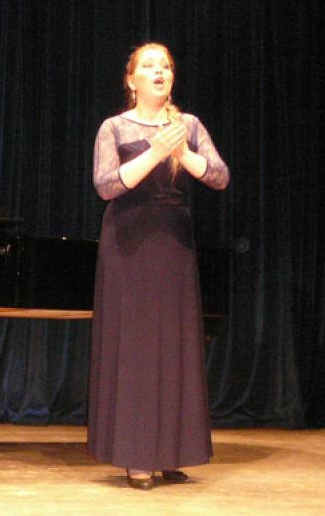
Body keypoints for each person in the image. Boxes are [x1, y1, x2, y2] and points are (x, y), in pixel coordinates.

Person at [87, 43, 230, 490]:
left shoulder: (189, 125)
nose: (159, 71)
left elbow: (220, 176)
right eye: (148, 66)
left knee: (175, 346)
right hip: (128, 244)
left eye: (165, 66)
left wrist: (181, 151)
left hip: (173, 244)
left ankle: (173, 452)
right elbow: (106, 186)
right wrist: (154, 152)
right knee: (136, 350)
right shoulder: (113, 127)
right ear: (131, 80)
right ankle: (137, 456)